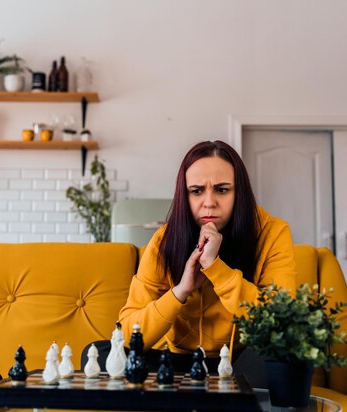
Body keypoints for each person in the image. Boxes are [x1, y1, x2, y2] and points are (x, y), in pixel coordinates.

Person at [117, 140, 297, 379]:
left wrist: (216, 269)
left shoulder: (272, 233)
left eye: (222, 190)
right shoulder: (164, 240)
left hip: (241, 362)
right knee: (101, 351)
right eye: (197, 191)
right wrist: (180, 292)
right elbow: (129, 331)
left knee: (284, 356)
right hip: (174, 360)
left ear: (239, 192)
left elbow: (280, 321)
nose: (209, 202)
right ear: (185, 195)